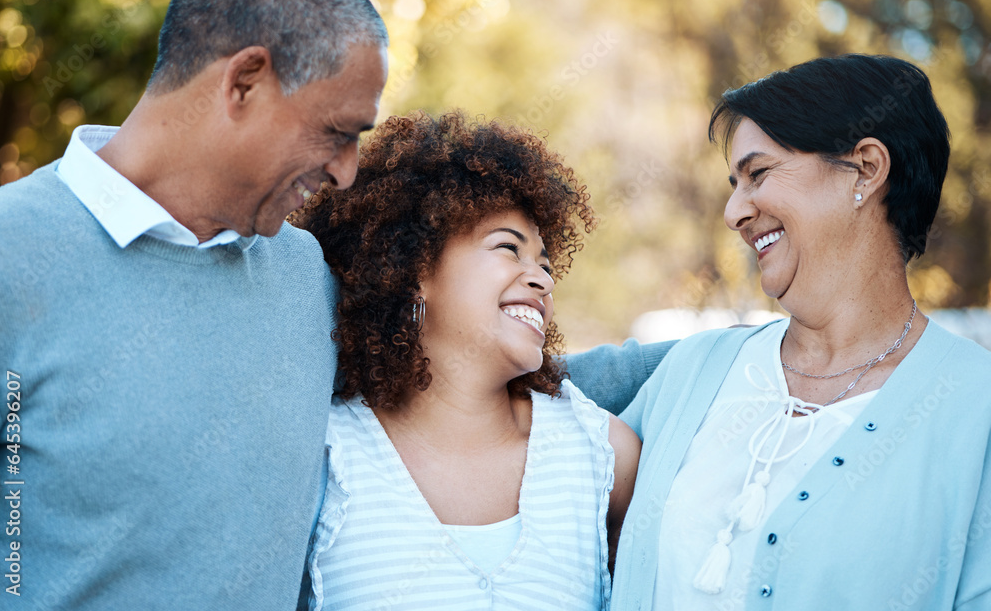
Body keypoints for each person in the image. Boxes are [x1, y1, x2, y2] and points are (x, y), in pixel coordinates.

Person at [0, 0, 387, 609]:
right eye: (337, 133)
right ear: (245, 82)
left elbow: (466, 385)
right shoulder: (6, 252)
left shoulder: (307, 277)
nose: (347, 171)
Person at [580, 54, 991, 610]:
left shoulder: (974, 409)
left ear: (867, 168)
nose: (733, 211)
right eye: (734, 182)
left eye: (759, 173)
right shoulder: (693, 369)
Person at [291, 111, 641, 610]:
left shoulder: (603, 454)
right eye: (508, 248)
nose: (542, 279)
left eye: (544, 262)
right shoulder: (324, 456)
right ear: (411, 268)